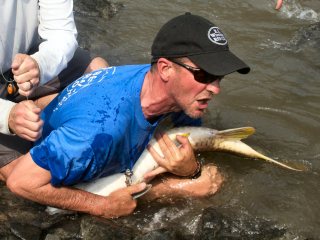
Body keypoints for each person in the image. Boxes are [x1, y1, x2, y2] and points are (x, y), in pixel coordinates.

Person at [0, 13, 250, 218]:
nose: (215, 88)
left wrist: (191, 167)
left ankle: (42, 103)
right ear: (165, 69)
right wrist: (102, 206)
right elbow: (22, 183)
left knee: (98, 70)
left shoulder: (179, 95)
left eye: (219, 77)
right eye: (204, 76)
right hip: (64, 136)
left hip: (85, 116)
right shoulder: (98, 133)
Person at [0, 1, 106, 168]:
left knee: (99, 73)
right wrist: (7, 116)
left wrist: (40, 64)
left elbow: (62, 32)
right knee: (22, 173)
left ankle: (41, 106)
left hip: (28, 56)